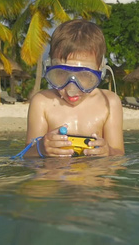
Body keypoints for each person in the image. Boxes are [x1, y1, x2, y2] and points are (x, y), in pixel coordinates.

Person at [21, 19, 124, 158]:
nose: (71, 89)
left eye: (85, 76)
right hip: (54, 178)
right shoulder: (42, 102)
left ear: (101, 71)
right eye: (61, 74)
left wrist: (109, 152)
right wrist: (40, 148)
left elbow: (119, 154)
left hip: (94, 178)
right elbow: (26, 156)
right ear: (49, 67)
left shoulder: (109, 102)